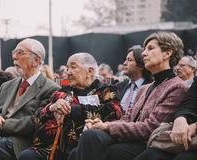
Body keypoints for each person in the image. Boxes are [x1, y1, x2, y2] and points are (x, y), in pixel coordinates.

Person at [68, 31, 188, 160]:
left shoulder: (177, 87)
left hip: (150, 144)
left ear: (167, 53)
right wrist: (103, 124)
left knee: (94, 141)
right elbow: (127, 118)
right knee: (86, 140)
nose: (143, 53)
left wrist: (108, 126)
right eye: (144, 49)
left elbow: (151, 128)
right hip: (131, 139)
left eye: (150, 48)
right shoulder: (145, 88)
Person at [18, 52, 122, 160]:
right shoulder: (61, 92)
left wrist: (72, 110)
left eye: (73, 67)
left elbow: (115, 112)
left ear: (90, 71)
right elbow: (38, 115)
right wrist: (51, 108)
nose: (68, 72)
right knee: (27, 156)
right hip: (51, 148)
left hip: (83, 148)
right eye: (67, 68)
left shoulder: (106, 91)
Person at [133, 77, 197, 160]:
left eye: (183, 65)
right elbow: (191, 102)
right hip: (185, 136)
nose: (178, 68)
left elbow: (151, 126)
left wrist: (195, 126)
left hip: (146, 136)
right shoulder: (146, 87)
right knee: (151, 154)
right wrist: (181, 118)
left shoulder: (177, 86)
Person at [116, 45, 152, 112]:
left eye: (129, 60)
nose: (124, 63)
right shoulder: (118, 87)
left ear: (141, 65)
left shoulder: (151, 88)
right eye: (126, 59)